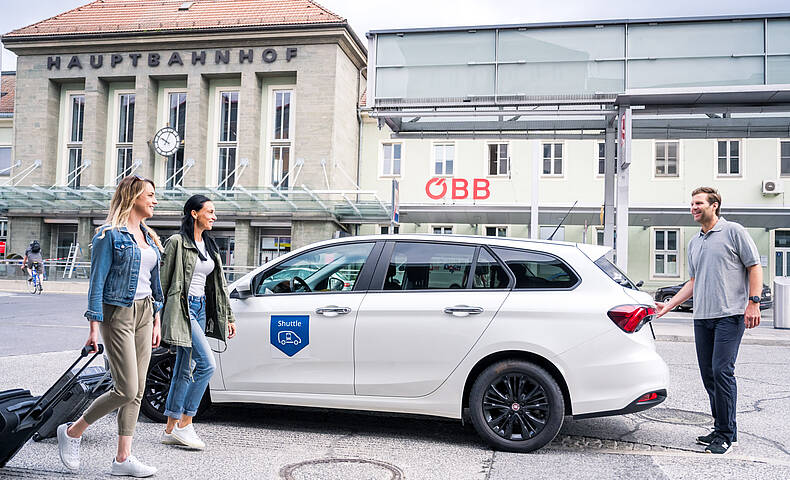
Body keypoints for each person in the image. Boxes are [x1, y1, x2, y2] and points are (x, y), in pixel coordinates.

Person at [56, 175, 163, 477]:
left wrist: (155, 318)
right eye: (150, 195)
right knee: (126, 387)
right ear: (133, 197)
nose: (155, 201)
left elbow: (153, 284)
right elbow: (97, 282)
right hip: (117, 312)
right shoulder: (108, 235)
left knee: (138, 390)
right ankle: (73, 431)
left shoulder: (149, 237)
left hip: (145, 313)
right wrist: (93, 327)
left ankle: (122, 459)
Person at [656, 186, 762, 455]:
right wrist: (668, 305)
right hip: (702, 317)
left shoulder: (733, 231)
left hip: (730, 315)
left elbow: (754, 266)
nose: (693, 207)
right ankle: (723, 428)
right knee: (709, 376)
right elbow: (693, 282)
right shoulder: (695, 242)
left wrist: (753, 302)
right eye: (691, 203)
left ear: (714, 206)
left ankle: (725, 435)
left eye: (699, 203)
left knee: (722, 372)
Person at [160, 194, 236, 450]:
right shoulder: (176, 243)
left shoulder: (209, 244)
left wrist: (228, 316)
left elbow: (220, 286)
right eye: (210, 212)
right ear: (194, 213)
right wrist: (156, 320)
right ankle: (186, 422)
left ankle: (170, 428)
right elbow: (162, 284)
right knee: (207, 364)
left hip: (201, 308)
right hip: (182, 308)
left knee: (184, 368)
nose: (214, 216)